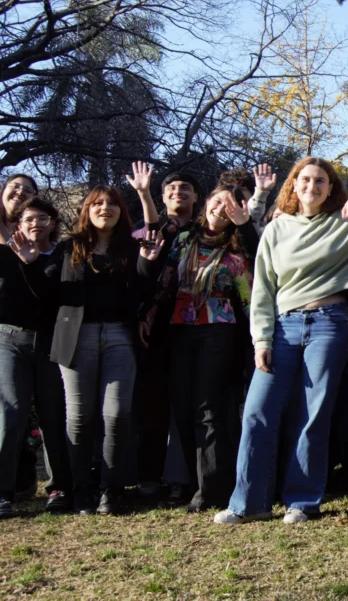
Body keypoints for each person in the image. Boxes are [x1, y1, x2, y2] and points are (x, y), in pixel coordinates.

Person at [213, 158, 348, 524]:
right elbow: (263, 290)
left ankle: (302, 502)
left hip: (330, 324)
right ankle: (248, 504)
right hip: (284, 327)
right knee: (258, 411)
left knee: (312, 416)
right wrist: (262, 339)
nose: (313, 186)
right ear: (293, 185)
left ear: (332, 187)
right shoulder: (277, 228)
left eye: (321, 180)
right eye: (305, 179)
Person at [11, 186, 156, 515]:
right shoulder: (69, 247)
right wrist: (31, 264)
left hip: (121, 336)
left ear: (121, 211)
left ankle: (111, 488)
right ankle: (80, 490)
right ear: (87, 211)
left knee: (117, 414)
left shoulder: (132, 248)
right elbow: (48, 293)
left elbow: (144, 289)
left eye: (112, 204)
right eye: (98, 204)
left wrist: (147, 263)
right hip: (76, 338)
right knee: (79, 418)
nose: (105, 208)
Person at [140, 186, 258, 512]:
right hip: (179, 330)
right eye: (217, 201)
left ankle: (211, 491)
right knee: (183, 407)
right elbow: (166, 282)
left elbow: (248, 298)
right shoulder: (184, 240)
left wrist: (259, 337)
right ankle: (193, 482)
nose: (221, 208)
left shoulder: (237, 249)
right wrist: (149, 313)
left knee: (209, 411)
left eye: (229, 204)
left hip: (218, 333)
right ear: (207, 204)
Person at [133, 169, 202, 504]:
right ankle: (148, 477)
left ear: (196, 197)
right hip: (155, 325)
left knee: (184, 403)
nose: (179, 192)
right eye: (172, 188)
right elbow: (142, 274)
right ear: (163, 198)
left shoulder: (205, 231)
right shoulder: (151, 232)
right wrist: (144, 194)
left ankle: (180, 478)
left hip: (192, 323)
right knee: (153, 403)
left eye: (185, 188)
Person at [0, 197, 71, 517]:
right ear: (17, 224)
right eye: (28, 219)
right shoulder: (4, 253)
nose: (34, 224)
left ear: (53, 223)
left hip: (50, 343)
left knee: (52, 415)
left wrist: (32, 264)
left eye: (42, 218)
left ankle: (58, 486)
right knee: (11, 412)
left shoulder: (62, 255)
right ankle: (3, 490)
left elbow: (54, 297)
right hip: (9, 339)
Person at [0, 174, 39, 244]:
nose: (20, 192)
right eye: (15, 186)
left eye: (27, 190)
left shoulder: (36, 228)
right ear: (3, 191)